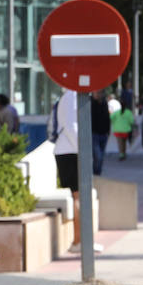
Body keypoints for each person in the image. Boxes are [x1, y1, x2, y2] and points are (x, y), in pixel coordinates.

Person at [49, 89, 100, 254]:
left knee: (80, 196)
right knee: (80, 197)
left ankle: (80, 241)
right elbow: (72, 126)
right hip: (71, 151)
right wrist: (84, 152)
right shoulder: (72, 96)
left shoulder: (71, 96)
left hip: (69, 150)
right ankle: (80, 242)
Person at [89, 88, 110, 175]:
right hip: (94, 134)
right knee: (98, 156)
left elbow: (107, 117)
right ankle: (95, 173)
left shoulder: (104, 103)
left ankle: (98, 173)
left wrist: (108, 130)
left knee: (101, 156)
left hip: (104, 134)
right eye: (97, 92)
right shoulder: (90, 103)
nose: (99, 94)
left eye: (101, 92)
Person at [111, 95, 135, 160]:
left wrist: (115, 123)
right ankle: (123, 153)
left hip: (117, 130)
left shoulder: (116, 112)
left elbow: (111, 118)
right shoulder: (128, 112)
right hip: (126, 130)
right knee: (124, 143)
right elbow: (131, 121)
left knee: (120, 143)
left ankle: (122, 154)